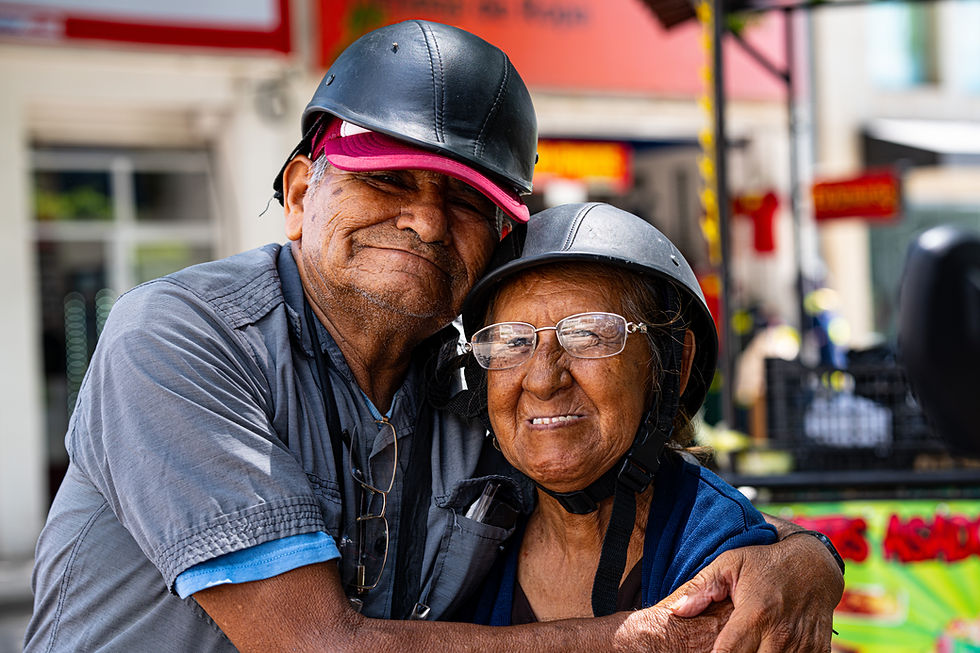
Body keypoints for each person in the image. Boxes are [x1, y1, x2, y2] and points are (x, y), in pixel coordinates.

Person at [25, 19, 843, 653]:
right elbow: (314, 643)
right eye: (386, 178)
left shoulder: (477, 386)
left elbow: (672, 495)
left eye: (465, 201)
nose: (423, 218)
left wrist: (807, 560)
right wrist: (647, 637)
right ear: (303, 193)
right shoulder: (182, 339)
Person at [458, 201, 777, 625]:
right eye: (514, 342)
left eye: (587, 335)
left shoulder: (725, 555)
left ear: (673, 366)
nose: (541, 380)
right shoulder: (469, 536)